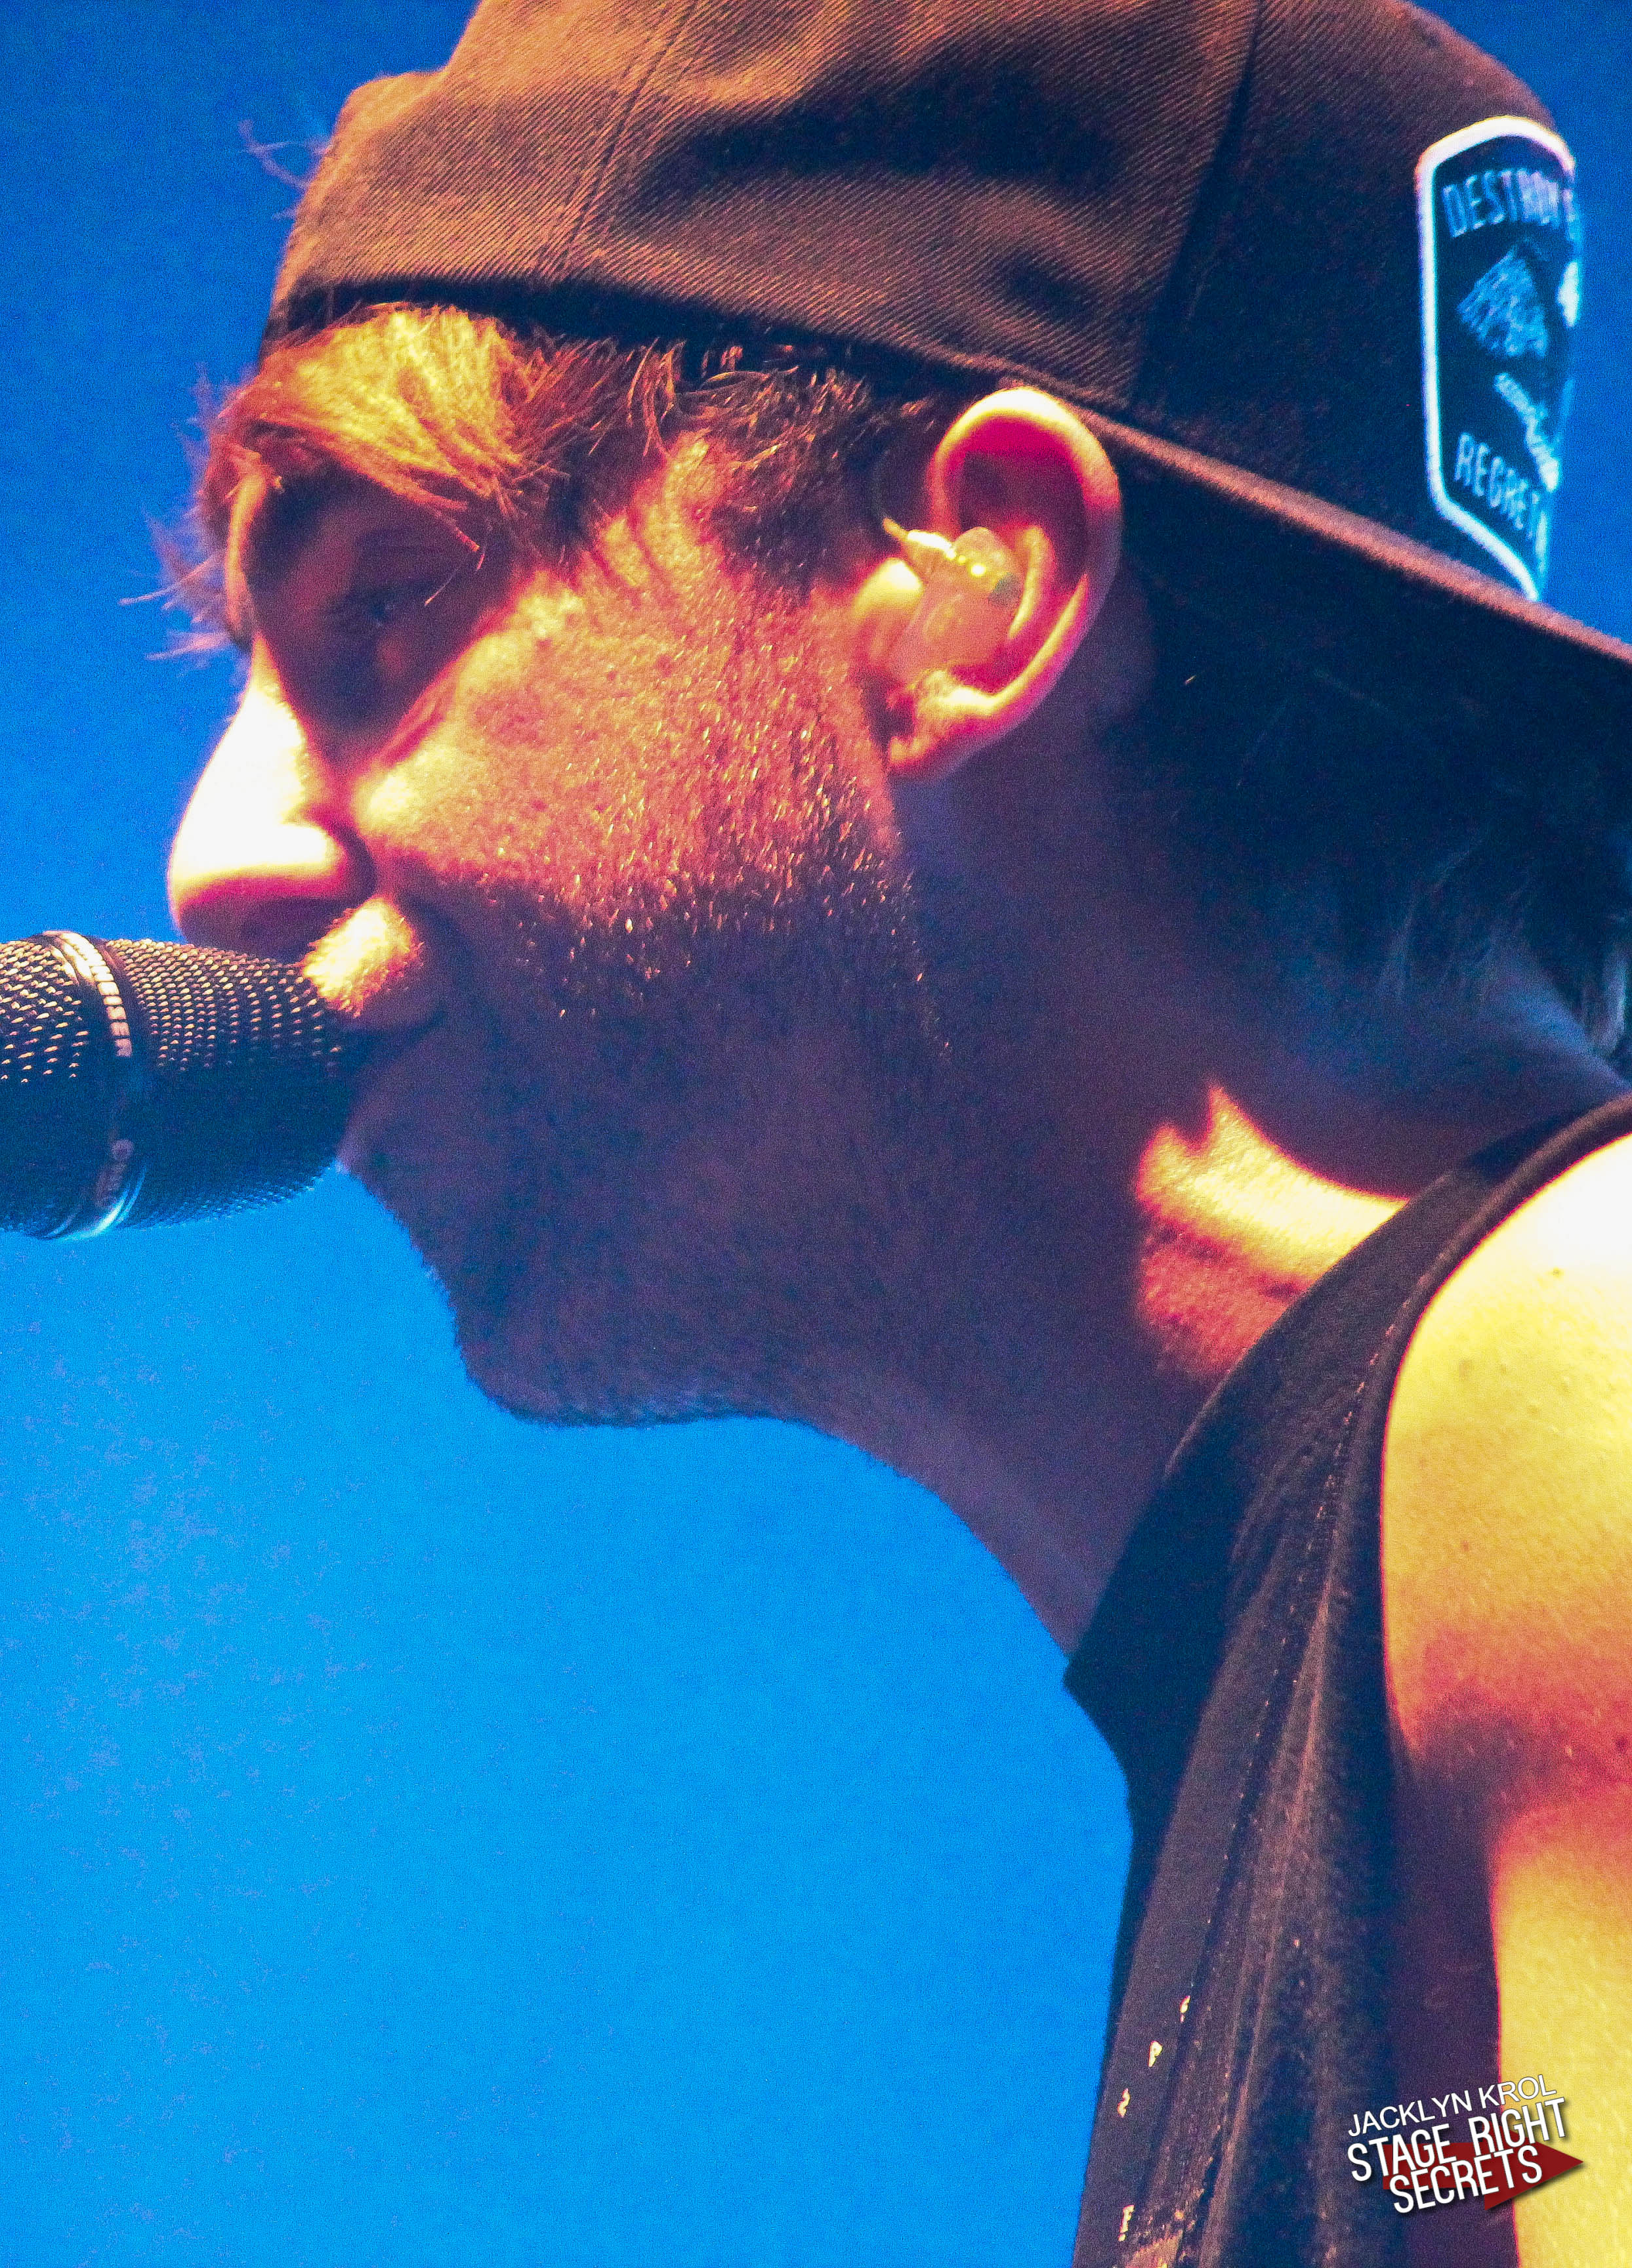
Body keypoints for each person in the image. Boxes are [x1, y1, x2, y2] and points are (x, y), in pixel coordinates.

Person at [157, 5, 1631, 2265]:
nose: (215, 859)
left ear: (976, 582)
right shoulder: (1420, 1633)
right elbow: (1526, 2150)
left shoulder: (1589, 1393)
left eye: (391, 606)